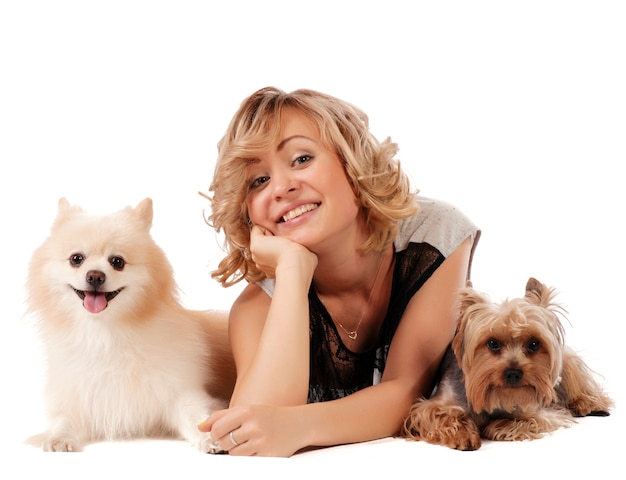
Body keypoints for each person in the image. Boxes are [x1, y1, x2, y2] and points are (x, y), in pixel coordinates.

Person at [198, 86, 480, 457]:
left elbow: (408, 387)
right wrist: (292, 271)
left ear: (352, 162)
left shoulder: (433, 237)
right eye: (259, 181)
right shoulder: (256, 309)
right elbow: (252, 432)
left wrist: (302, 426)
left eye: (300, 159)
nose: (282, 186)